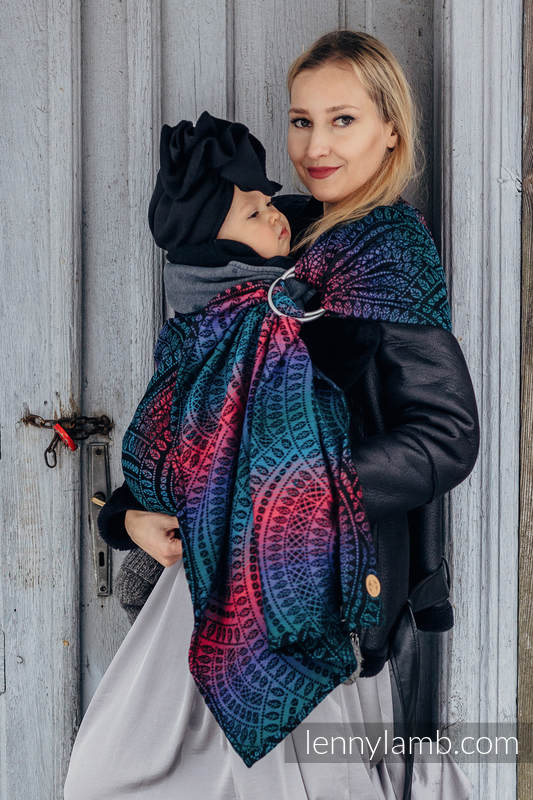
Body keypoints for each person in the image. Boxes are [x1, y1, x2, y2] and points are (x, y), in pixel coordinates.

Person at [64, 30, 479, 799]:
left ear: (391, 130)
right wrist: (127, 517)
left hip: (324, 594)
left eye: (342, 120)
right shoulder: (264, 228)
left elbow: (445, 437)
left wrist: (289, 493)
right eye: (301, 120)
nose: (315, 146)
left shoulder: (388, 255)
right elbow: (200, 413)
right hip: (214, 588)